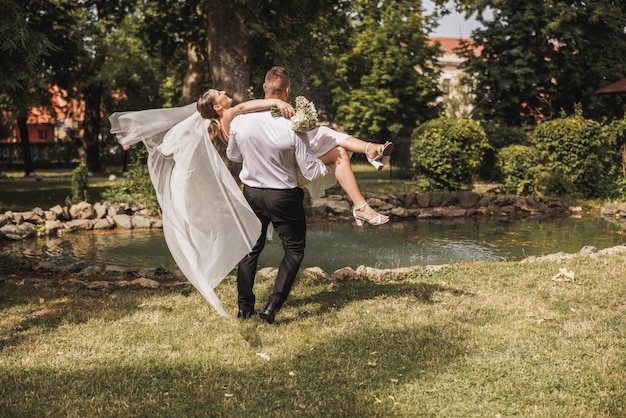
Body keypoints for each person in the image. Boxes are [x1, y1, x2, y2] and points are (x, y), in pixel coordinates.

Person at [197, 90, 392, 226]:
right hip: (288, 172)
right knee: (326, 136)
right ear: (217, 107)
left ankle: (369, 156)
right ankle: (369, 155)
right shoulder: (231, 115)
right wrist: (277, 102)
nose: (224, 92)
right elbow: (248, 105)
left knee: (338, 151)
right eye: (219, 94)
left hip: (274, 173)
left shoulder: (223, 130)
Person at [226, 66, 328, 323]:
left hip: (251, 193)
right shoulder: (293, 126)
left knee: (250, 250)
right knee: (294, 250)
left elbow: (233, 156)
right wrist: (332, 158)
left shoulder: (240, 121)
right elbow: (311, 170)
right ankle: (272, 307)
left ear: (264, 88)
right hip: (283, 196)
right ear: (287, 92)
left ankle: (244, 308)